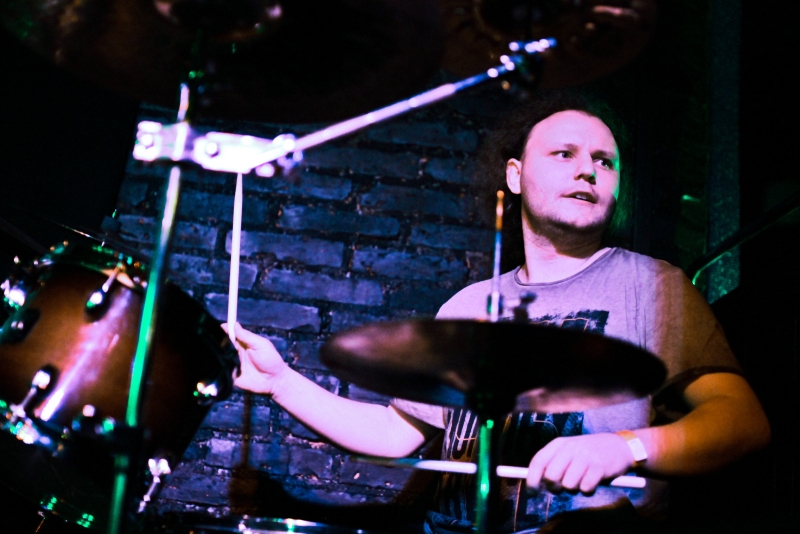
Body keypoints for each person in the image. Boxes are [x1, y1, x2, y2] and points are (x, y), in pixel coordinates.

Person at [224, 91, 770, 532]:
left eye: (604, 162)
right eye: (565, 154)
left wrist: (625, 447)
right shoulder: (467, 306)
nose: (587, 171)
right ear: (514, 175)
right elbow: (395, 434)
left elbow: (742, 422)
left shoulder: (651, 286)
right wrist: (282, 383)